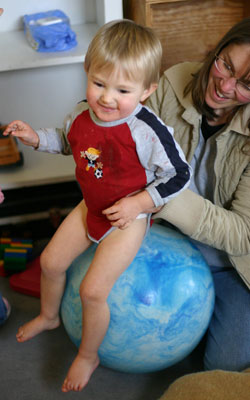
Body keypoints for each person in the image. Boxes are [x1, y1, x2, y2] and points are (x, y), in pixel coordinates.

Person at [3, 20, 191, 392]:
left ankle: (89, 354)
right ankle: (49, 316)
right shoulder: (80, 113)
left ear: (146, 91)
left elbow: (180, 174)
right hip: (90, 205)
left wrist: (139, 202)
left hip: (129, 217)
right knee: (52, 263)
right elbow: (64, 140)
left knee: (92, 291)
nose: (107, 98)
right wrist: (33, 137)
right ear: (87, 73)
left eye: (123, 90)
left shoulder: (146, 131)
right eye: (99, 84)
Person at [146, 17, 250, 372]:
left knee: (225, 368)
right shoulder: (173, 81)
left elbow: (242, 234)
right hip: (158, 241)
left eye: (245, 85)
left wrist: (165, 195)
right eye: (226, 64)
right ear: (218, 49)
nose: (224, 85)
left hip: (230, 266)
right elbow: (122, 117)